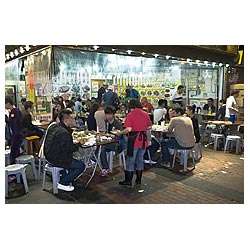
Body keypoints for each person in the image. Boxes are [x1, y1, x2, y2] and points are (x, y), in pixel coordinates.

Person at [44, 109, 85, 192]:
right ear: (67, 120)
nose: (73, 120)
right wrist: (78, 145)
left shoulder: (54, 126)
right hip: (56, 158)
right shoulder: (64, 133)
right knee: (81, 166)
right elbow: (68, 149)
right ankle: (63, 183)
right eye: (71, 118)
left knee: (73, 160)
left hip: (48, 155)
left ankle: (66, 177)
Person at [116, 99, 152, 188]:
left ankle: (128, 181)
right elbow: (149, 126)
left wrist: (120, 133)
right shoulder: (145, 113)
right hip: (143, 139)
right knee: (140, 159)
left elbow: (129, 129)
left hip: (134, 139)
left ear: (131, 107)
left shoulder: (130, 115)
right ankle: (138, 180)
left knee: (130, 160)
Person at [99, 106, 124, 176]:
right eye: (106, 114)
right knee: (99, 145)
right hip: (108, 142)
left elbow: (120, 135)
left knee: (102, 148)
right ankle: (94, 160)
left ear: (113, 114)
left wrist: (110, 135)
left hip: (117, 144)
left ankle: (105, 168)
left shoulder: (117, 123)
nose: (108, 116)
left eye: (110, 114)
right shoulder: (106, 122)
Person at [5, 97, 23, 164]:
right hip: (16, 134)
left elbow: (13, 123)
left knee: (14, 152)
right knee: (15, 152)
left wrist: (6, 119)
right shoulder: (14, 111)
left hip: (17, 135)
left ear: (8, 103)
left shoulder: (15, 111)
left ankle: (14, 169)